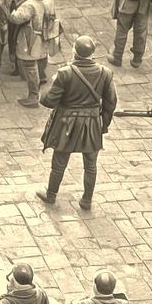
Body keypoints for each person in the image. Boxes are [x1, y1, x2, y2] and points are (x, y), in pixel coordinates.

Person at [36, 34, 116, 210]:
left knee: (59, 161)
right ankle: (86, 200)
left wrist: (51, 82)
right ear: (93, 53)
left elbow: (49, 101)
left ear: (74, 52)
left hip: (66, 123)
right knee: (91, 165)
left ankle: (51, 195)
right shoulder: (105, 73)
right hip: (92, 124)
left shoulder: (65, 73)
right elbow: (111, 103)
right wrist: (104, 125)